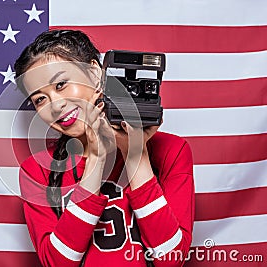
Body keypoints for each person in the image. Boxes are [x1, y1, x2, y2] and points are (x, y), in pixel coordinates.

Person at [14, 30, 194, 267]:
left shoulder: (172, 150)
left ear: (95, 72)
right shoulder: (36, 170)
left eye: (61, 84)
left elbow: (170, 259)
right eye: (40, 99)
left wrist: (136, 155)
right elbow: (58, 264)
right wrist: (96, 160)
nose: (55, 106)